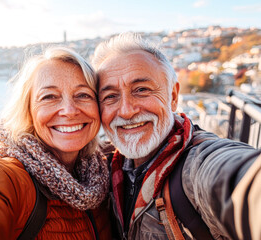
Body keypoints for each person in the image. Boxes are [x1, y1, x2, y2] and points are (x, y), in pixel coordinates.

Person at [92, 32, 261, 240]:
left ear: (173, 96)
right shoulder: (103, 166)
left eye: (142, 90)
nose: (126, 110)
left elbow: (238, 180)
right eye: (110, 96)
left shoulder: (198, 165)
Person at [0, 46, 111, 239]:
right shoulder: (6, 178)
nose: (69, 110)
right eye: (49, 97)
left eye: (83, 95)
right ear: (27, 111)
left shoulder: (103, 173)